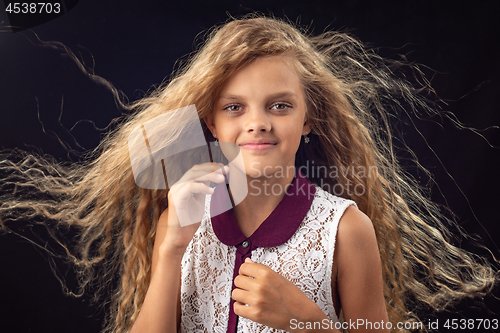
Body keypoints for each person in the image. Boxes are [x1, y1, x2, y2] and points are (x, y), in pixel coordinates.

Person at [0, 15, 497, 333]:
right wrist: (171, 247)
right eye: (234, 107)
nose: (257, 121)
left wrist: (307, 321)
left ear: (309, 121)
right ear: (210, 122)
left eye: (279, 105)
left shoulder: (346, 230)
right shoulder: (179, 221)